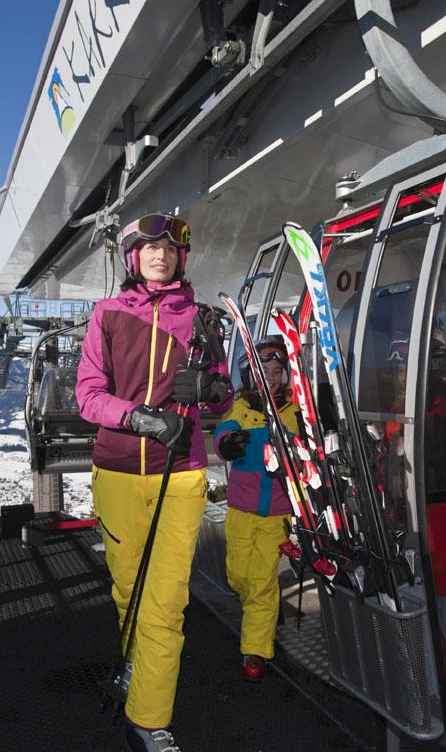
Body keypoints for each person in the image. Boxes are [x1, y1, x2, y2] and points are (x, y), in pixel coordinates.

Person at [75, 213, 233, 752]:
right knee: (129, 591)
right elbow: (89, 395)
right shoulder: (108, 314)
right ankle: (134, 665)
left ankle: (148, 718)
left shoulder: (203, 319)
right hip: (117, 472)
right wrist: (145, 418)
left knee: (165, 604)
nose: (159, 255)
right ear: (132, 258)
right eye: (148, 247)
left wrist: (210, 387)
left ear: (180, 256)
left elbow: (228, 397)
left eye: (168, 247)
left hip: (181, 475)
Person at [213, 337, 299, 684]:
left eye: (278, 371)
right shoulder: (241, 409)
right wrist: (228, 445)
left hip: (276, 510)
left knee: (262, 582)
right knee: (238, 575)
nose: (272, 377)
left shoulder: (293, 411)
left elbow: (307, 448)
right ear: (251, 374)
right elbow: (222, 437)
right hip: (243, 506)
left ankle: (256, 649)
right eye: (265, 370)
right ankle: (260, 611)